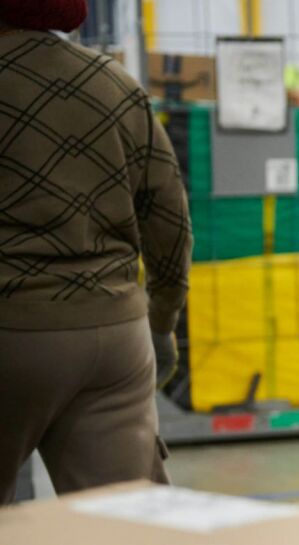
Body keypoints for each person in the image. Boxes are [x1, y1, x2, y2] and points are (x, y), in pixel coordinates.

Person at [0, 0, 191, 503]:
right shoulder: (114, 83)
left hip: (12, 333)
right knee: (123, 529)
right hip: (115, 341)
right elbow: (169, 220)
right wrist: (162, 321)